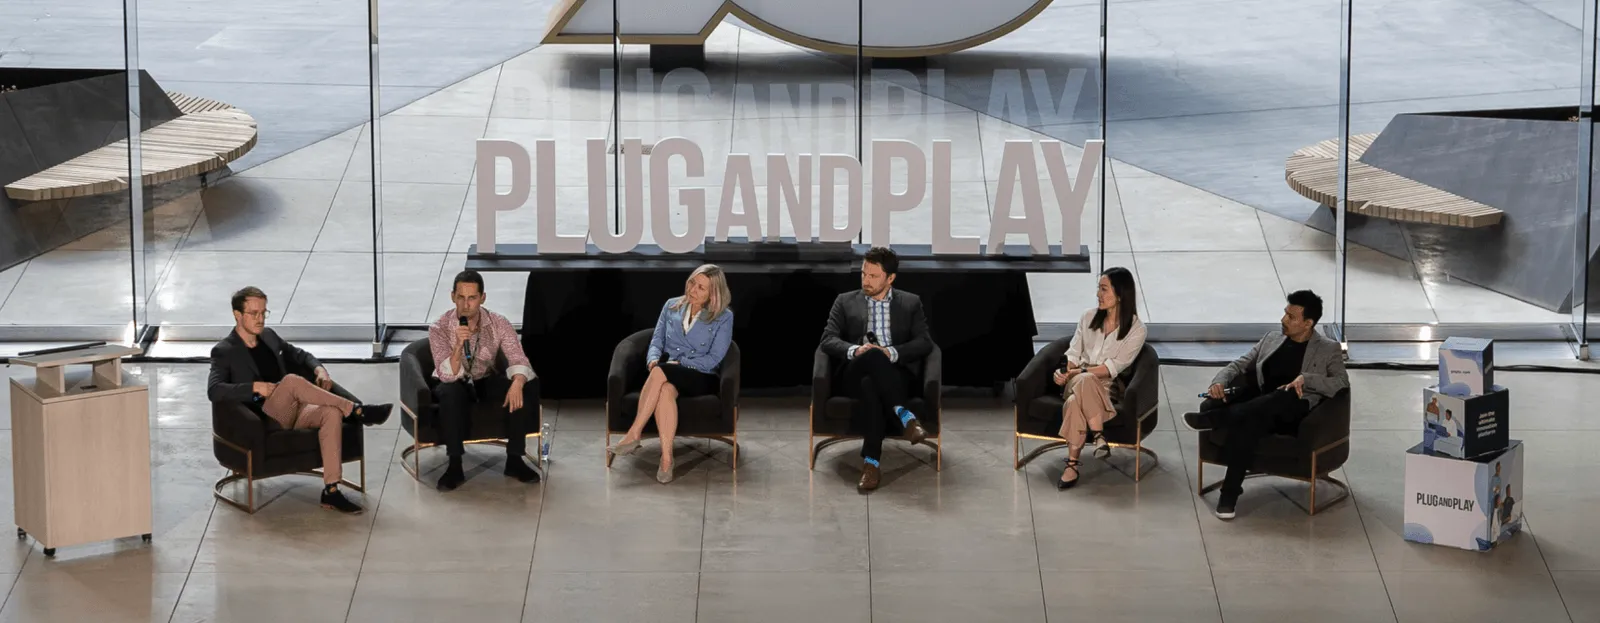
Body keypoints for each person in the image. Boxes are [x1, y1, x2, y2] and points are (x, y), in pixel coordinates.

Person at [207, 287, 393, 514]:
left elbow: (300, 355)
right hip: (265, 418)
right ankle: (356, 411)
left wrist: (319, 369)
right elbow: (214, 390)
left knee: (331, 413)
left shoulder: (269, 336)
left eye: (264, 313)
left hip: (296, 410)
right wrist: (254, 387)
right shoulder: (224, 351)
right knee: (292, 381)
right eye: (254, 313)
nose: (260, 319)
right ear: (237, 315)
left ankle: (331, 491)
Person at [1181, 290, 1349, 520]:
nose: (1283, 320)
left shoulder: (1328, 349)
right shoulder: (1271, 339)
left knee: (1285, 395)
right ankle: (1229, 494)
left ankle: (1215, 419)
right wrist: (1219, 381)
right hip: (1259, 409)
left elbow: (1341, 383)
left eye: (1291, 317)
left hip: (1293, 412)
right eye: (1285, 313)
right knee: (1250, 422)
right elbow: (1240, 364)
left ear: (1308, 323)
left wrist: (1307, 379)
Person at [819, 247, 936, 492]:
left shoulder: (910, 303)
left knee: (871, 386)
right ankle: (905, 416)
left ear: (890, 278)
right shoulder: (845, 301)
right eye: (864, 274)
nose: (866, 280)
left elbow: (924, 342)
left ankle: (871, 464)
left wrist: (891, 352)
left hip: (894, 374)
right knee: (871, 354)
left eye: (873, 276)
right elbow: (827, 340)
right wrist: (856, 350)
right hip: (854, 370)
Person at [606, 265, 735, 484]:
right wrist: (653, 358)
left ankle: (634, 434)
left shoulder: (723, 316)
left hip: (701, 375)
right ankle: (667, 460)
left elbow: (714, 359)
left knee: (660, 372)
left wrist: (679, 363)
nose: (693, 290)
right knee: (665, 389)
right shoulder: (671, 305)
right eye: (692, 282)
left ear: (713, 293)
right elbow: (657, 340)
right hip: (669, 372)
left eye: (701, 287)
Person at [427, 270, 542, 491]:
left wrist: (517, 382)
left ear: (482, 298)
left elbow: (518, 358)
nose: (466, 304)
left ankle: (515, 460)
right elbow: (447, 374)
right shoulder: (439, 328)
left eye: (472, 298)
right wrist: (458, 345)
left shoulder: (498, 323)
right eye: (461, 297)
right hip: (453, 381)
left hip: (484, 379)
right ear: (453, 297)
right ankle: (454, 465)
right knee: (451, 393)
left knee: (527, 383)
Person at [1051, 267, 1146, 490]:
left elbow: (1112, 368)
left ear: (1120, 294)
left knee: (1074, 400)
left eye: (1104, 289)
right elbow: (1073, 353)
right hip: (1075, 382)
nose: (1098, 294)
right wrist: (1064, 371)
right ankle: (1099, 435)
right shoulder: (1088, 317)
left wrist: (1080, 372)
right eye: (1098, 288)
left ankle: (1072, 465)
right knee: (1083, 381)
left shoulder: (1137, 330)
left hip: (1105, 387)